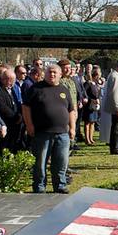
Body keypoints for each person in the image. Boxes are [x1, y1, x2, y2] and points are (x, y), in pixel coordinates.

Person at [23, 64, 76, 194]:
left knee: (61, 162)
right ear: (45, 74)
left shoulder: (64, 90)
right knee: (40, 163)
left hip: (62, 133)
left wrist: (73, 127)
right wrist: (29, 125)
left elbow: (71, 110)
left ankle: (60, 185)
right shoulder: (36, 89)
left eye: (54, 73)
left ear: (60, 75)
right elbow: (25, 108)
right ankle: (39, 186)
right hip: (42, 133)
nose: (52, 75)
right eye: (49, 72)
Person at [0, 67, 24, 152]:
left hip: (14, 124)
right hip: (5, 123)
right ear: (7, 79)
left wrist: (19, 115)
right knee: (4, 148)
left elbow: (16, 103)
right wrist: (15, 117)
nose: (13, 83)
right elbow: (1, 106)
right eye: (12, 81)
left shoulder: (11, 88)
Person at [81, 66, 102, 145]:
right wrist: (91, 100)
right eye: (98, 75)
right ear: (95, 75)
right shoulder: (87, 83)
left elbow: (97, 94)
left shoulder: (96, 84)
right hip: (89, 105)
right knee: (87, 122)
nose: (99, 77)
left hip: (95, 106)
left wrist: (98, 100)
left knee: (93, 122)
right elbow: (84, 94)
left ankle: (91, 138)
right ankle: (87, 139)